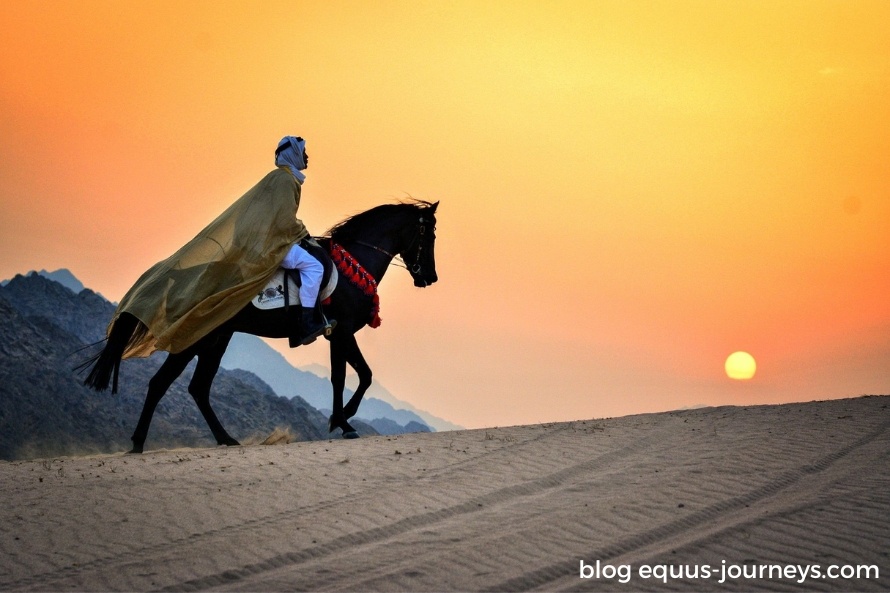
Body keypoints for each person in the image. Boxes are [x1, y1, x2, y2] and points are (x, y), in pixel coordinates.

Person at [109, 135, 328, 361]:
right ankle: (307, 321)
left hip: (266, 240)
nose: (307, 156)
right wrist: (303, 233)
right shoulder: (285, 180)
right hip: (269, 245)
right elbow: (283, 222)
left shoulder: (280, 178)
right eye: (303, 152)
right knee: (314, 267)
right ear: (293, 154)